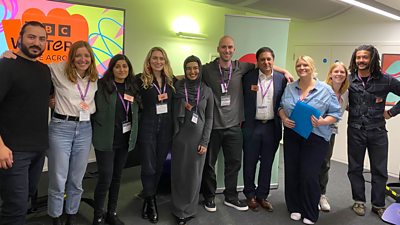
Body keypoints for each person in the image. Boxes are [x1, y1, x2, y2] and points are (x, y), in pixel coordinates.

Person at [201, 35, 293, 212]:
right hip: (245, 127)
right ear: (218, 49)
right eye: (223, 47)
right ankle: (241, 195)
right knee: (242, 163)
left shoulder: (278, 79)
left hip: (267, 127)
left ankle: (260, 196)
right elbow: (193, 72)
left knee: (262, 163)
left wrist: (286, 71)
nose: (227, 50)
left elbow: (269, 70)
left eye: (269, 59)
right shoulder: (245, 75)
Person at [0, 21, 52, 225]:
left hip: (38, 149)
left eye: (42, 39)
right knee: (16, 207)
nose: (36, 43)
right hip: (13, 152)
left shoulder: (44, 70)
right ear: (20, 38)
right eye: (31, 37)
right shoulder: (6, 66)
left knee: (25, 200)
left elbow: (43, 98)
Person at [279, 56, 341, 224]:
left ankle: (310, 211)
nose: (301, 68)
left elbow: (336, 114)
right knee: (292, 172)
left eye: (305, 65)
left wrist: (322, 121)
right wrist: (284, 118)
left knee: (309, 174)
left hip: (316, 137)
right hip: (292, 134)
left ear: (312, 67)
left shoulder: (325, 90)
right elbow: (280, 107)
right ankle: (295, 207)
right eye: (298, 65)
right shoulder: (290, 87)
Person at [47, 41, 98, 225]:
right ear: (72, 57)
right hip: (61, 128)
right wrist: (9, 55)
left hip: (84, 129)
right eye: (78, 55)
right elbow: (34, 66)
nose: (82, 59)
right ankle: (55, 215)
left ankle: (71, 212)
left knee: (77, 177)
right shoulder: (59, 70)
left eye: (86, 56)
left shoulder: (94, 78)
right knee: (58, 177)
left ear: (91, 58)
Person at [347, 45, 400, 218]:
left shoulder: (385, 79)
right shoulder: (349, 79)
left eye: (365, 57)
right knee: (355, 168)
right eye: (358, 57)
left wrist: (391, 112)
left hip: (377, 131)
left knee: (379, 170)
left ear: (372, 59)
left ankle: (378, 204)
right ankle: (359, 201)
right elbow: (334, 94)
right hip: (355, 130)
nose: (361, 61)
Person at [91, 54, 139, 225]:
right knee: (105, 177)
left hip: (125, 140)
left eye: (125, 66)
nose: (122, 69)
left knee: (117, 177)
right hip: (106, 140)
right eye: (117, 66)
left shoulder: (132, 87)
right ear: (111, 69)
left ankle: (111, 212)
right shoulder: (101, 86)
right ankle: (98, 214)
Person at [242, 47, 287, 212]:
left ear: (273, 61)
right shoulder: (248, 78)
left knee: (267, 163)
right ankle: (250, 195)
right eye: (262, 59)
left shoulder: (282, 79)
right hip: (252, 126)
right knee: (250, 162)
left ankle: (262, 196)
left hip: (272, 127)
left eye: (269, 59)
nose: (266, 62)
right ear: (257, 61)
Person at [171, 55, 214, 225]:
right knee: (179, 174)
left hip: (198, 140)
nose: (192, 71)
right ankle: (177, 208)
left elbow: (209, 118)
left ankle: (188, 210)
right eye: (188, 68)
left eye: (195, 68)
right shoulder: (177, 88)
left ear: (200, 69)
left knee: (193, 175)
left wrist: (205, 141)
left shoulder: (207, 91)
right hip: (179, 137)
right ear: (184, 70)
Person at [135, 47, 175, 223]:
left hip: (166, 129)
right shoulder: (140, 80)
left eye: (161, 58)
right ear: (149, 60)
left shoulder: (171, 81)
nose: (158, 61)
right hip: (148, 128)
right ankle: (151, 202)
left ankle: (149, 196)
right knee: (148, 166)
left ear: (165, 61)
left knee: (159, 166)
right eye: (155, 58)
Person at [319, 62, 349, 212]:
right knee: (310, 163)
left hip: (330, 132)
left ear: (346, 76)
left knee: (325, 164)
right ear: (330, 74)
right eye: (335, 71)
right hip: (315, 131)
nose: (339, 74)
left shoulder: (347, 93)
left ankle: (321, 194)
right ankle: (308, 194)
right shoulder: (321, 88)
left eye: (342, 72)